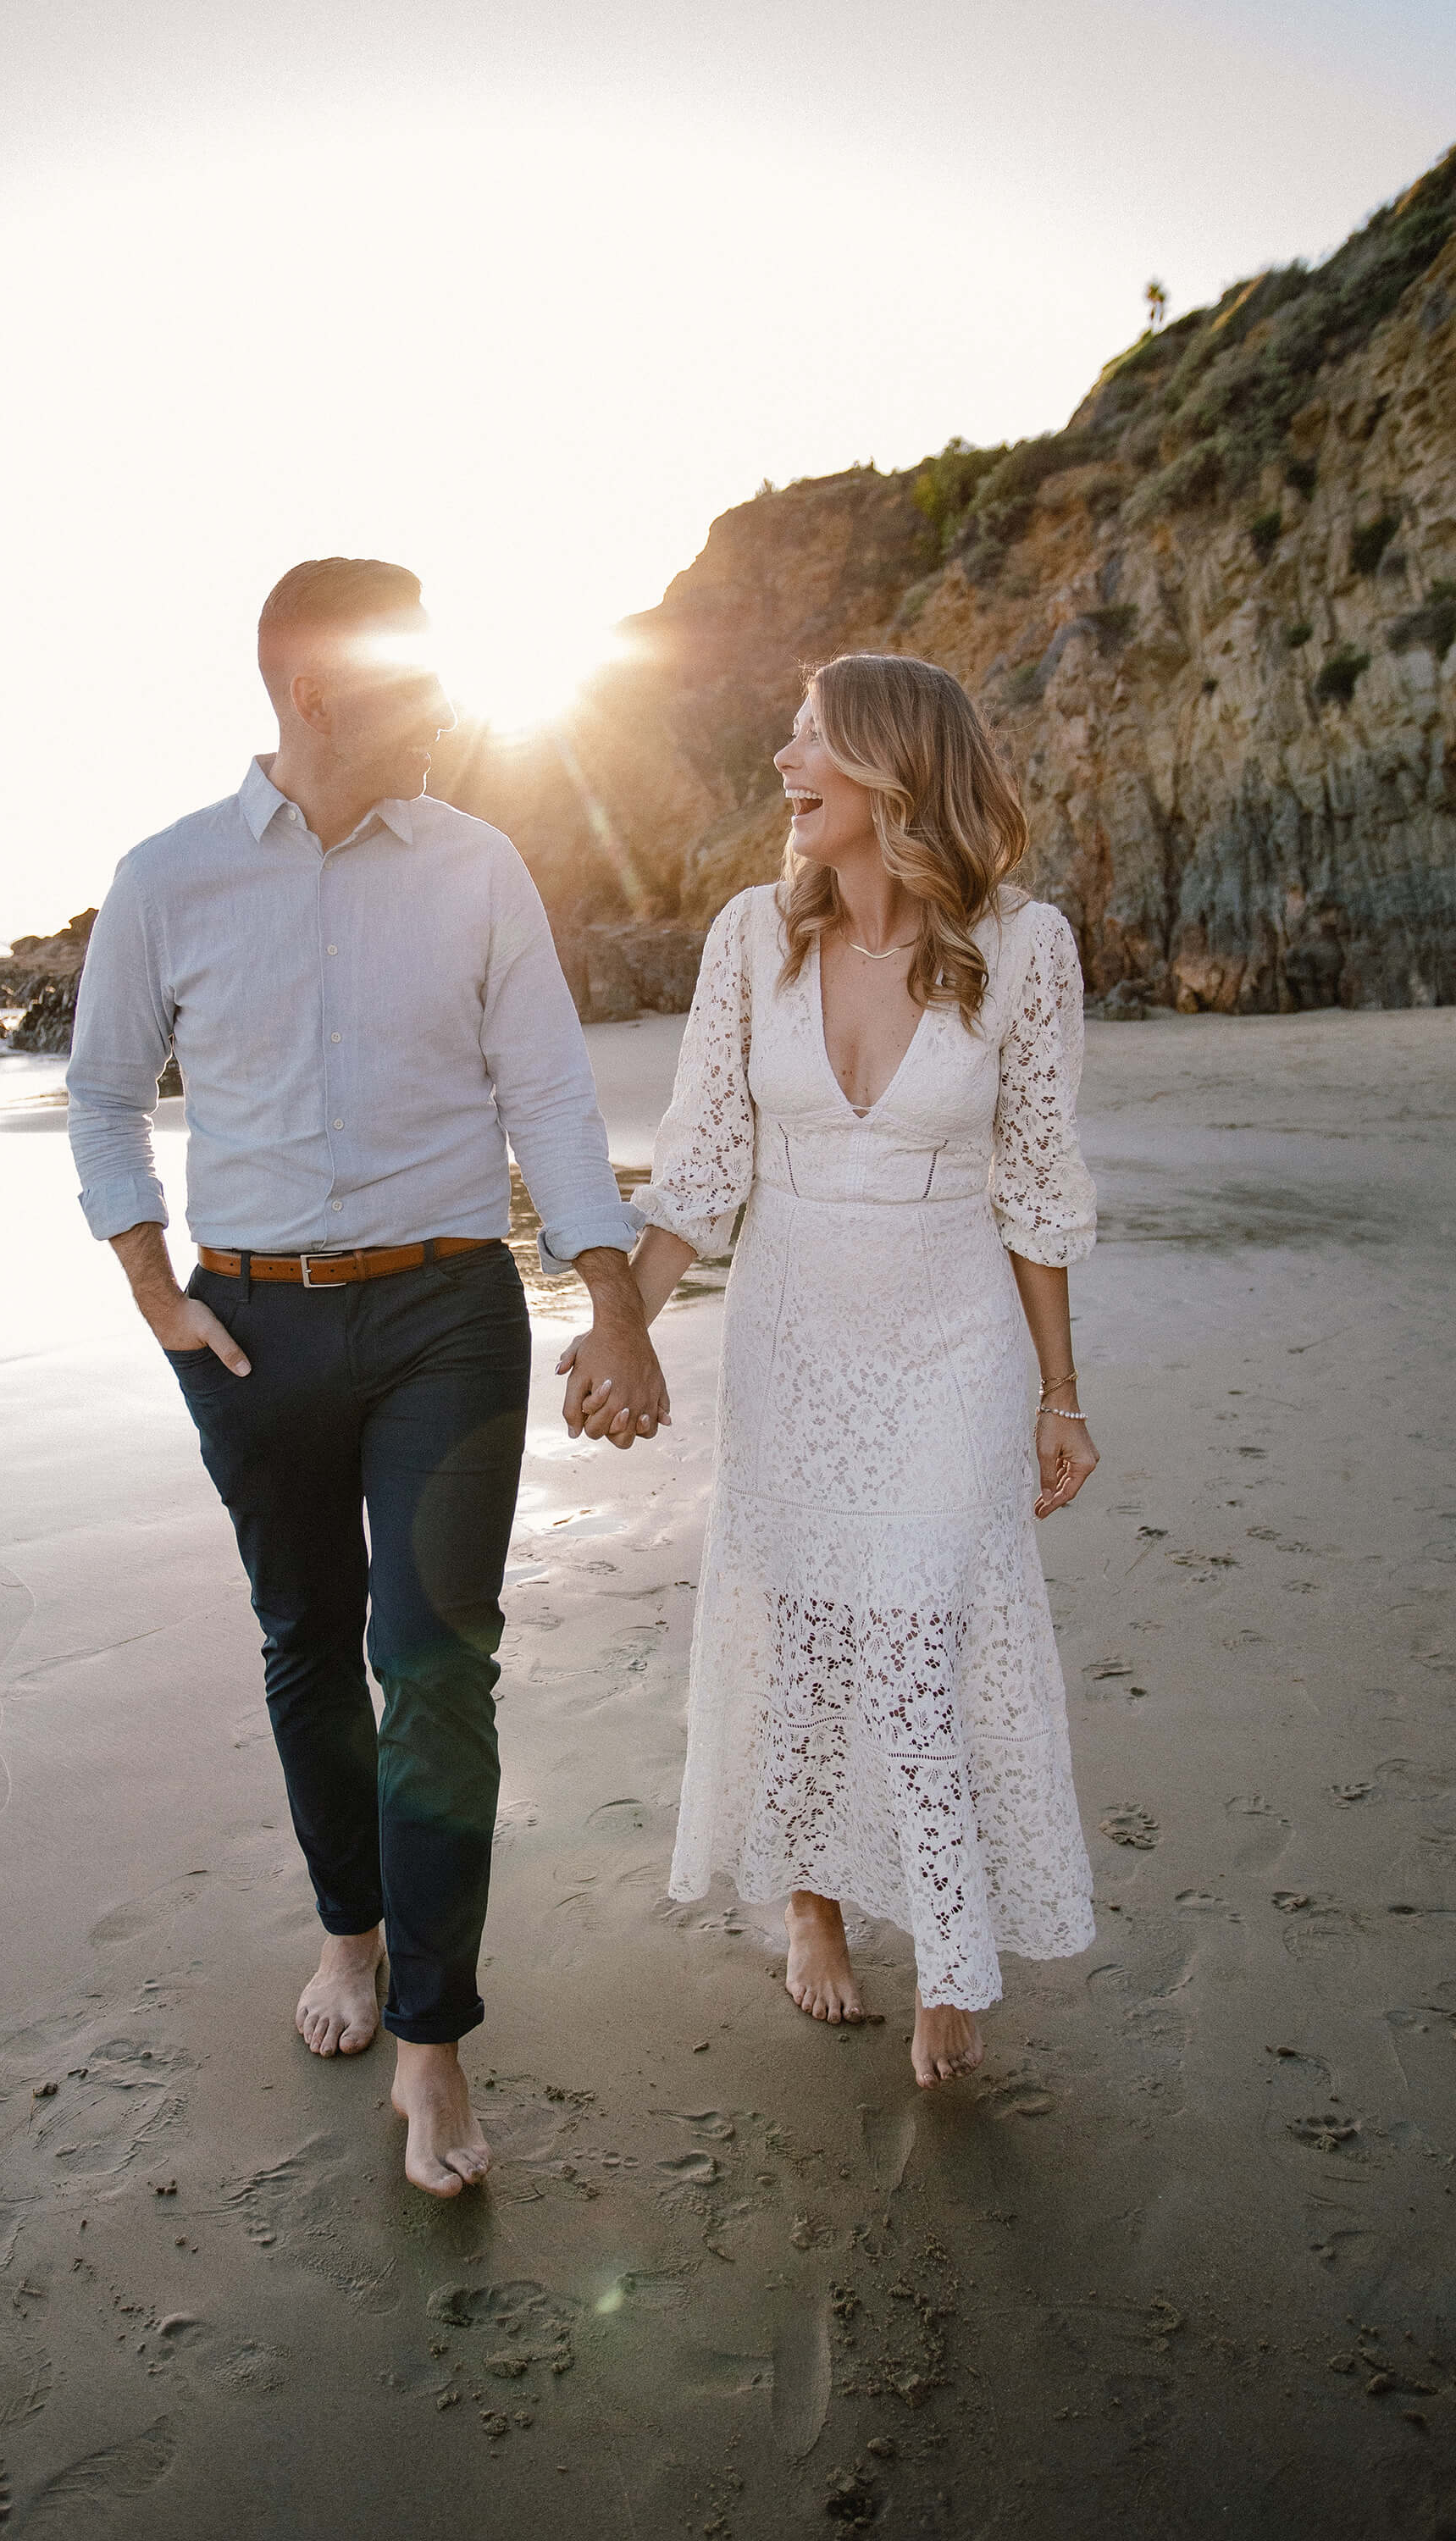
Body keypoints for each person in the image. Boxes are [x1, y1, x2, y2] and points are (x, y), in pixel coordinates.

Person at [66, 557, 667, 2195]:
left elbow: (549, 1097)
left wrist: (611, 1305)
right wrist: (153, 1292)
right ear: (316, 686)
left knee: (439, 1662)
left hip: (446, 1319)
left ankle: (433, 2038)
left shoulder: (478, 868)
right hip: (251, 1331)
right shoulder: (168, 876)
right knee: (307, 1644)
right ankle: (350, 1933)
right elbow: (105, 1097)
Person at [613, 652, 1099, 2088]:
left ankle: (953, 1955)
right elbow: (699, 1178)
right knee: (814, 1632)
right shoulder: (751, 938)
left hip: (952, 1343)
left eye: (811, 737)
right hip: (792, 1340)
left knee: (920, 1632)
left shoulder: (1025, 950)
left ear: (892, 768)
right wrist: (623, 1325)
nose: (784, 760)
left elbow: (1035, 1189)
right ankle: (811, 1907)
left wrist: (1058, 1396)